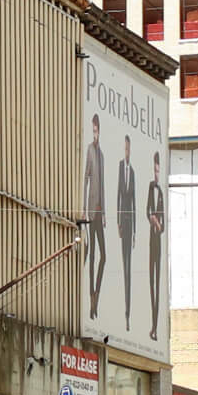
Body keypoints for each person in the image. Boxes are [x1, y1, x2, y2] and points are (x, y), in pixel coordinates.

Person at [83, 116, 107, 318]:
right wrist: (84, 208)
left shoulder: (102, 155)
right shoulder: (90, 150)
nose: (95, 134)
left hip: (100, 212)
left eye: (97, 131)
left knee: (103, 256)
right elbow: (86, 178)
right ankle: (91, 301)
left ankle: (96, 296)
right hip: (91, 210)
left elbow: (104, 186)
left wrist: (105, 213)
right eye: (93, 131)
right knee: (92, 256)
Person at [116, 136, 138, 328]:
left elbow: (134, 202)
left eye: (129, 149)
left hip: (130, 223)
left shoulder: (132, 172)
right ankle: (122, 310)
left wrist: (134, 232)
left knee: (129, 268)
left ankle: (128, 312)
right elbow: (118, 196)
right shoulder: (120, 168)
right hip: (122, 223)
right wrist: (117, 222)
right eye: (125, 149)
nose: (127, 152)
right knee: (122, 266)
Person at [146, 153, 166, 339]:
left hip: (158, 242)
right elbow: (147, 212)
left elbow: (164, 225)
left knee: (157, 282)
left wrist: (157, 224)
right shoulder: (150, 188)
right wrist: (151, 219)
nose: (156, 173)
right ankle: (151, 324)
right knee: (150, 282)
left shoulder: (161, 193)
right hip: (150, 242)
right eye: (154, 169)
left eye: (158, 170)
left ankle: (155, 325)